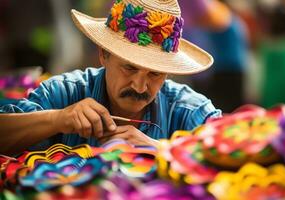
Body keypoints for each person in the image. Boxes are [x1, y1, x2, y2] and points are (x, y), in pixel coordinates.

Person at [0, 0, 221, 156]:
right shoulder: (64, 92)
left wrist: (163, 150)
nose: (139, 86)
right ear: (103, 55)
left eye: (155, 73)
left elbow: (242, 151)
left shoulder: (190, 111)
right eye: (129, 68)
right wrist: (59, 119)